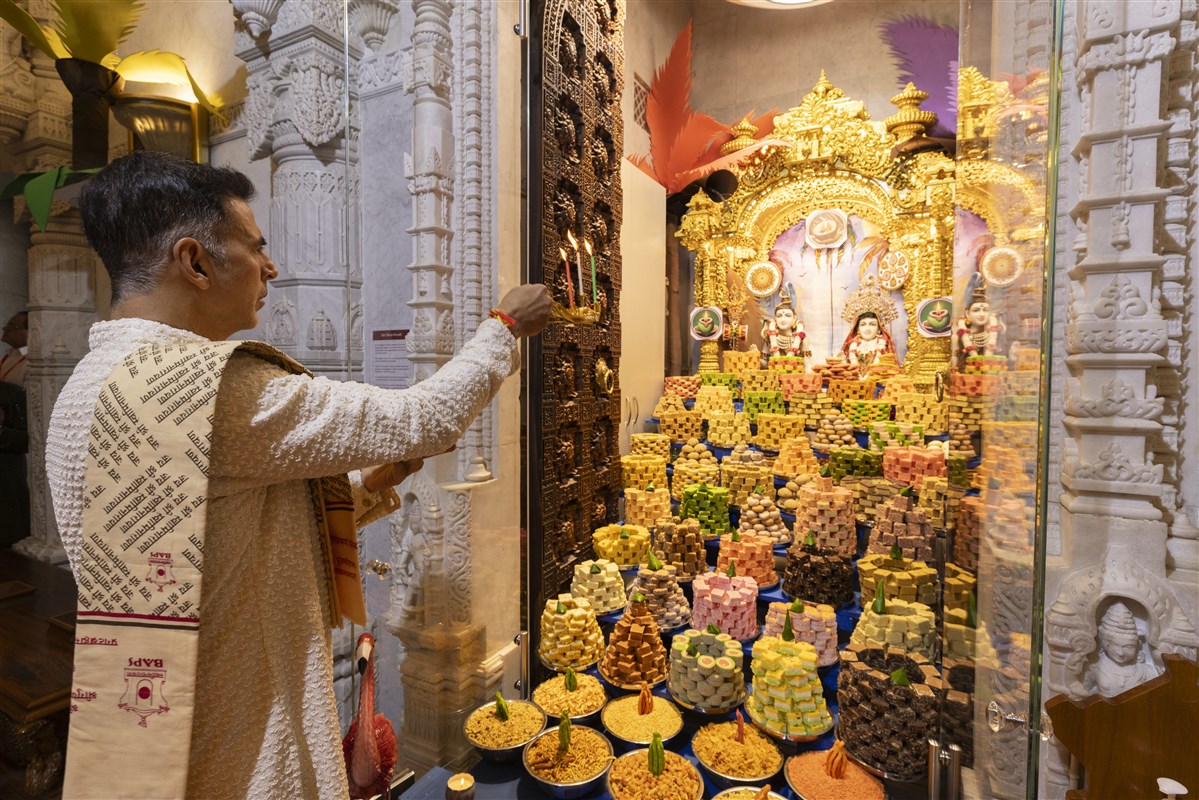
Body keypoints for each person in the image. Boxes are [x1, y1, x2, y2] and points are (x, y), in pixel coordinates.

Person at [48, 151, 550, 799]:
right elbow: (426, 417)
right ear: (195, 261)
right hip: (247, 731)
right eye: (256, 247)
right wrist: (504, 327)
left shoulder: (86, 389)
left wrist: (368, 490)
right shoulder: (212, 388)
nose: (272, 267)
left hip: (151, 725)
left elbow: (224, 532)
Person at [0, 311, 28, 386]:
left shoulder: (33, 361)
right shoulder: (11, 354)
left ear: (28, 332)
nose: (5, 329)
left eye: (12, 326)